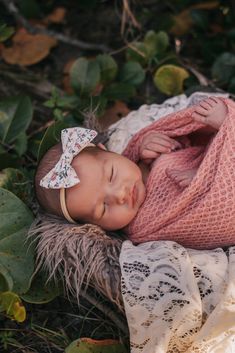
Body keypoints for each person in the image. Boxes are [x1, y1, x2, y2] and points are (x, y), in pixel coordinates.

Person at [35, 97, 231, 248]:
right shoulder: (144, 227)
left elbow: (188, 145)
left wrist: (151, 144)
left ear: (106, 150)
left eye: (112, 174)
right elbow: (213, 216)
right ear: (95, 228)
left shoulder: (135, 158)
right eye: (103, 208)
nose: (120, 195)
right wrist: (203, 180)